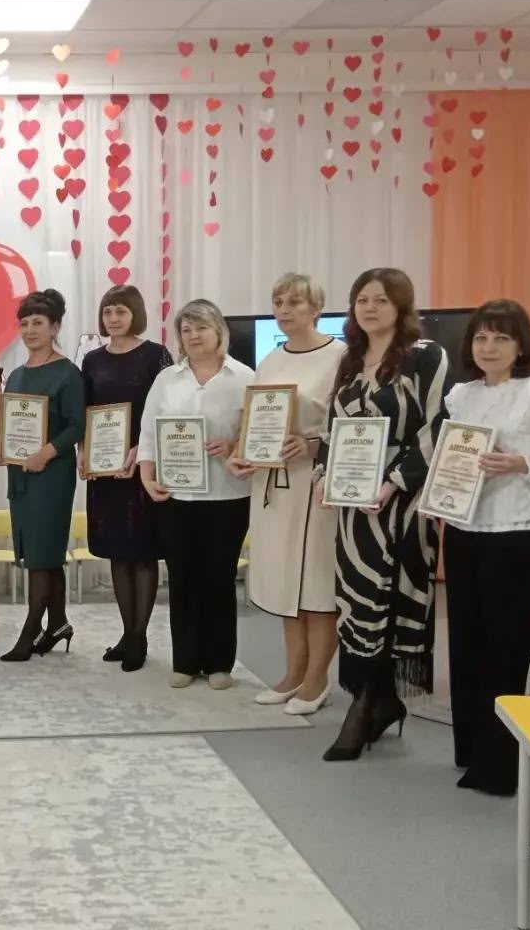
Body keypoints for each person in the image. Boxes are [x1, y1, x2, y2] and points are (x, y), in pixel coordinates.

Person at [316, 268, 448, 761]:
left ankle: (366, 704)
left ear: (401, 306)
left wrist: (393, 481)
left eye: (381, 300)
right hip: (354, 507)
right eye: (362, 300)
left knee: (391, 596)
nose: (370, 308)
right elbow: (333, 428)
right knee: (357, 598)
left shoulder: (425, 356)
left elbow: (437, 426)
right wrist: (324, 475)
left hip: (402, 503)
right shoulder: (350, 360)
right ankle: (381, 700)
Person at [442, 300, 530, 795]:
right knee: (466, 643)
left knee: (506, 647)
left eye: (501, 338)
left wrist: (522, 464)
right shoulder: (461, 396)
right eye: (481, 337)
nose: (488, 347)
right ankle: (470, 751)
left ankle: (499, 767)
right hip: (463, 530)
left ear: (520, 346)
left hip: (515, 533)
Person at [228, 274, 345, 714]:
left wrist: (313, 444)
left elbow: (353, 424)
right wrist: (242, 453)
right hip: (271, 484)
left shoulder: (341, 357)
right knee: (284, 585)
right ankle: (293, 673)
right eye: (278, 301)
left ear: (316, 308)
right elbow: (257, 418)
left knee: (315, 584)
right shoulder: (272, 360)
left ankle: (317, 679)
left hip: (314, 483)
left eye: (295, 302)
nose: (284, 309)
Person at [138, 299, 253, 689]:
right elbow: (148, 432)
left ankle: (219, 663)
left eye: (201, 327)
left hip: (227, 496)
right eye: (185, 330)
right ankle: (185, 660)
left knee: (219, 578)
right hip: (176, 497)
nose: (193, 335)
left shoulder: (245, 377)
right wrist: (146, 476)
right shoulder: (167, 379)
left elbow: (257, 434)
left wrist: (234, 445)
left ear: (219, 331)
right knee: (183, 578)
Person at [80, 285, 172, 672]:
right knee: (117, 553)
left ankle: (139, 636)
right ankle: (126, 633)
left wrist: (142, 448)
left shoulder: (156, 355)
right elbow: (86, 409)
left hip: (142, 468)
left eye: (120, 311)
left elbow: (167, 408)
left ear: (135, 313)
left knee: (143, 553)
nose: (113, 318)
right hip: (106, 471)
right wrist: (83, 451)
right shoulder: (92, 360)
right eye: (107, 312)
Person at [0, 288, 86, 663]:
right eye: (24, 323)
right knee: (43, 554)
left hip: (51, 476)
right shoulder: (17, 375)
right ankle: (59, 623)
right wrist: (1, 446)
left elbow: (77, 425)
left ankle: (30, 630)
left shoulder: (68, 373)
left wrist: (45, 453)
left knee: (42, 556)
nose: (30, 330)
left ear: (55, 327)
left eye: (38, 323)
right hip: (20, 476)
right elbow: (12, 420)